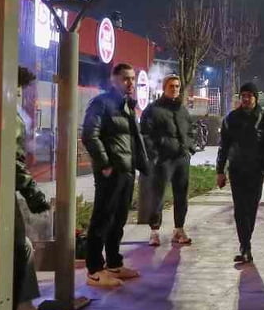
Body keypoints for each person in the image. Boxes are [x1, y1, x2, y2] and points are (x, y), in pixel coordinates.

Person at [81, 62, 150, 287]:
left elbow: (133, 140)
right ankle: (94, 269)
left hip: (126, 170)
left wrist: (141, 164)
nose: (130, 83)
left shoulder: (127, 106)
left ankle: (114, 263)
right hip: (111, 171)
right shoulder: (102, 103)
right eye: (126, 79)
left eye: (132, 79)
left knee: (119, 219)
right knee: (103, 218)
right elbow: (90, 135)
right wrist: (105, 163)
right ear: (114, 80)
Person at [216, 82, 264, 264]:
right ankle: (245, 246)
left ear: (255, 98)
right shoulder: (231, 119)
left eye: (249, 96)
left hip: (255, 172)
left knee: (251, 209)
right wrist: (220, 171)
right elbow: (224, 147)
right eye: (243, 95)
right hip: (237, 170)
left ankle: (246, 243)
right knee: (239, 209)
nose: (245, 99)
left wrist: (262, 167)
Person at [13, 67, 51, 310]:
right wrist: (32, 191)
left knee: (20, 247)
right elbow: (9, 158)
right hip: (0, 191)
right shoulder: (7, 112)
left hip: (4, 190)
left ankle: (20, 307)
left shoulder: (12, 110)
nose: (20, 94)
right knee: (17, 249)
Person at [140, 73, 195, 247]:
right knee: (158, 195)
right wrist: (155, 154)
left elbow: (190, 130)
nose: (175, 89)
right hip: (163, 160)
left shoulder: (182, 109)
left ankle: (179, 229)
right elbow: (146, 134)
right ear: (164, 88)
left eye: (177, 86)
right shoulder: (153, 109)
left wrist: (190, 148)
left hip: (182, 158)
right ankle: (154, 231)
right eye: (171, 86)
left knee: (181, 196)